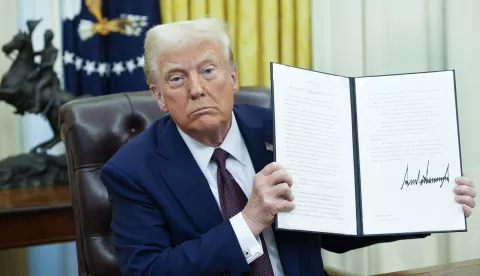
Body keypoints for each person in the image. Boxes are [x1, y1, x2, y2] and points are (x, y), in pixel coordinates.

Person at [100, 18, 477, 276]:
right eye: (177, 78)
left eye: (208, 70)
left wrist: (428, 205)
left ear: (233, 78)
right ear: (159, 96)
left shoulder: (284, 130)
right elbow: (150, 271)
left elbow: (335, 229)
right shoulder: (133, 171)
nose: (196, 89)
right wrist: (248, 222)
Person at [27, 29, 60, 114]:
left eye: (46, 37)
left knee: (38, 88)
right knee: (28, 79)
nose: (44, 38)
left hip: (48, 75)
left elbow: (51, 63)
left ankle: (37, 107)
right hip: (40, 73)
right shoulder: (45, 49)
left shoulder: (53, 50)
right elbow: (34, 53)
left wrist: (41, 65)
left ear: (49, 38)